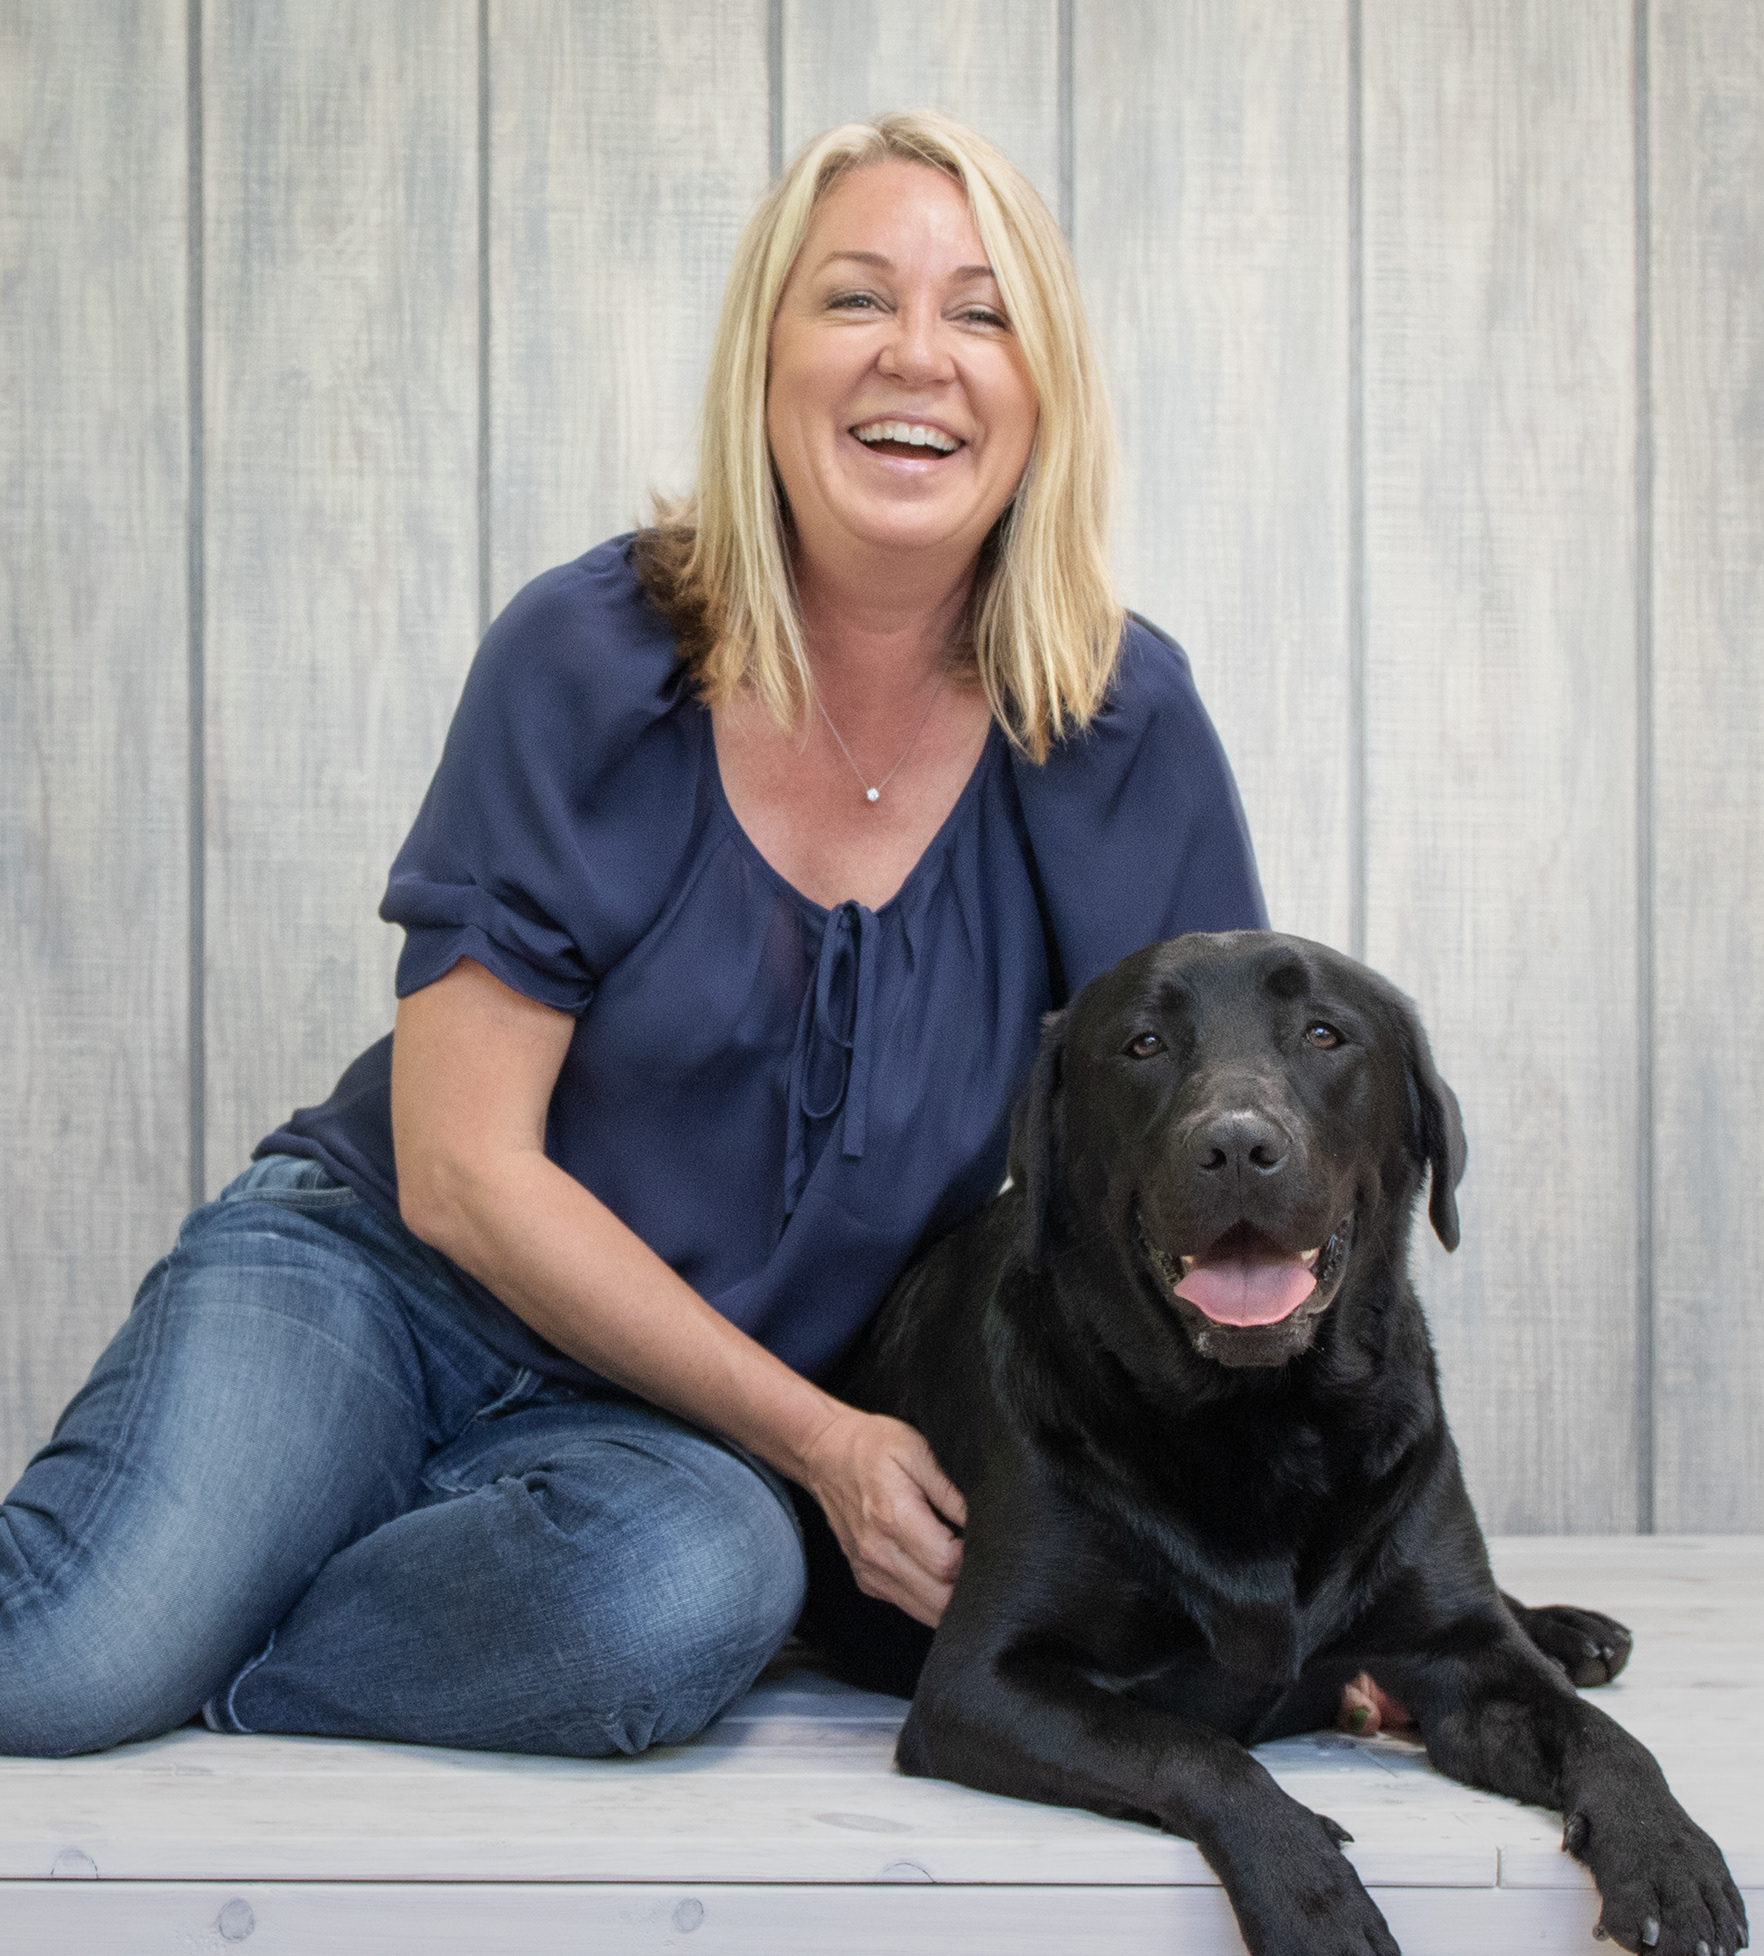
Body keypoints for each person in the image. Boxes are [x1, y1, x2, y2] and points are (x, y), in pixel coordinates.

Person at [0, 111, 1265, 1761]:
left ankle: (249, 1650)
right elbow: (461, 1173)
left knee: (691, 1601)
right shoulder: (592, 656)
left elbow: (1210, 1180)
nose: (917, 357)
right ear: (766, 358)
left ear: (1045, 391)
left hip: (668, 1427)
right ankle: (204, 1600)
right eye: (855, 299)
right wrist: (826, 1442)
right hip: (390, 1283)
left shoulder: (1117, 727)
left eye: (981, 312)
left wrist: (1311, 1594)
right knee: (66, 1668)